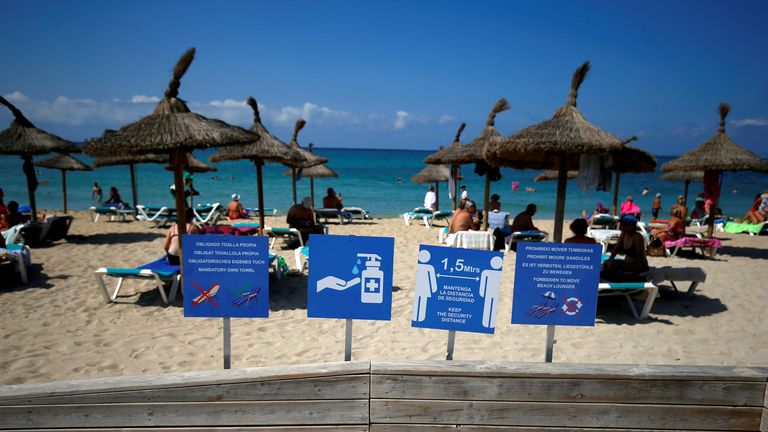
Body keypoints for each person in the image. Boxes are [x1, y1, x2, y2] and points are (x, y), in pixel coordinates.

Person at [602, 215, 649, 282]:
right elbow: (617, 247)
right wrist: (610, 259)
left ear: (631, 226)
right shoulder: (624, 233)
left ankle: (616, 282)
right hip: (628, 263)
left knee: (611, 265)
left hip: (639, 266)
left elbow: (639, 255)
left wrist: (637, 273)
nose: (621, 226)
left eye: (624, 225)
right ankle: (612, 281)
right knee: (606, 263)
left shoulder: (637, 237)